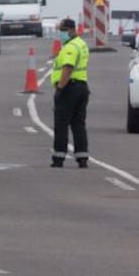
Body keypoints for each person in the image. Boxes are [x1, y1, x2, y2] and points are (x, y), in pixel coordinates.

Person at [50, 17, 90, 168]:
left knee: (61, 123)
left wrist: (60, 88)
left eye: (63, 30)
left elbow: (67, 68)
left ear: (72, 30)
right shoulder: (81, 44)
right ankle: (82, 157)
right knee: (78, 124)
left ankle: (58, 158)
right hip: (82, 87)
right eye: (60, 30)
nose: (61, 33)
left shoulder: (70, 47)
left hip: (69, 88)